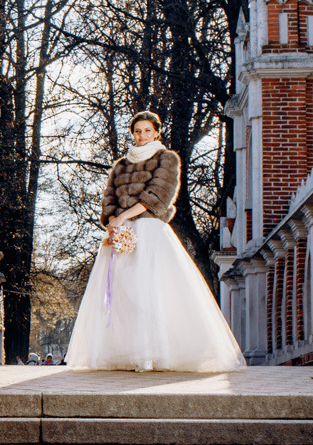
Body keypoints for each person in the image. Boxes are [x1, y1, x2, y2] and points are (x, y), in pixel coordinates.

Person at [65, 110, 246, 372]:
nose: (142, 135)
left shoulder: (167, 158)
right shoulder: (121, 165)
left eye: (147, 130)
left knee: (150, 291)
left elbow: (160, 196)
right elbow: (109, 198)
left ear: (156, 132)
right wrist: (113, 221)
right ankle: (128, 354)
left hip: (149, 230)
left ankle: (153, 353)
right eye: (137, 131)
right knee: (123, 294)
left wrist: (124, 216)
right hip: (122, 233)